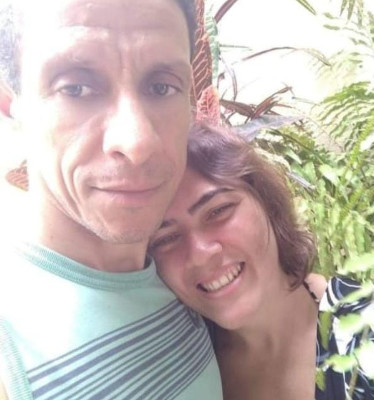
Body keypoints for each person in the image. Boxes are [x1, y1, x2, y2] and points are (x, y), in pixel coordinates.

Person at [0, 1, 223, 399]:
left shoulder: (188, 275)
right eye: (76, 88)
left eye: (162, 87)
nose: (137, 142)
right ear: (11, 106)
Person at [148, 123, 374, 400]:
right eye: (166, 238)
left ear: (266, 203)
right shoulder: (180, 358)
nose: (200, 253)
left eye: (218, 211)